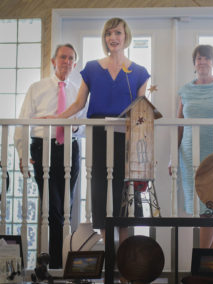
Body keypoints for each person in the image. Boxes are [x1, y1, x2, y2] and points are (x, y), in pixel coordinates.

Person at [48, 18, 149, 244]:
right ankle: (110, 258)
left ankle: (125, 264)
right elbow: (78, 104)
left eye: (118, 33)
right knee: (101, 192)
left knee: (125, 196)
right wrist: (56, 118)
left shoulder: (140, 72)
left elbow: (142, 110)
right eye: (109, 33)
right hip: (99, 138)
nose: (113, 37)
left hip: (126, 138)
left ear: (126, 37)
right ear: (105, 38)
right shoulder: (92, 68)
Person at [14, 43, 85, 268]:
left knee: (67, 205)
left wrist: (72, 127)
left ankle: (59, 259)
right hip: (43, 148)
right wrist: (23, 152)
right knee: (52, 207)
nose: (66, 61)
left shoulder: (78, 91)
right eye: (62, 57)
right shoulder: (37, 88)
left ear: (74, 64)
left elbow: (82, 127)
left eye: (71, 58)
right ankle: (55, 263)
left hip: (70, 149)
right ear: (53, 61)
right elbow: (23, 121)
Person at [172, 44, 213, 248]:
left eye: (207, 58)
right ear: (194, 63)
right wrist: (172, 157)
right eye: (199, 58)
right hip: (190, 155)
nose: (202, 62)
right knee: (201, 208)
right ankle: (205, 259)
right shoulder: (185, 90)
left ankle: (202, 258)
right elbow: (179, 126)